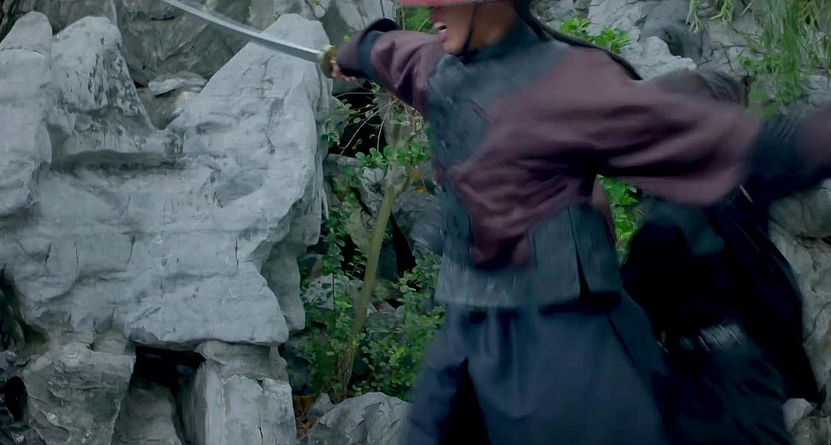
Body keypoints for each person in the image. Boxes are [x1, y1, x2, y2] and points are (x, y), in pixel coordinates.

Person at [330, 0, 831, 443]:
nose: (431, 11)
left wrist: (810, 143)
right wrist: (342, 56)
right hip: (467, 329)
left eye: (444, 1)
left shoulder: (571, 85)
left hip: (558, 342)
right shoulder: (434, 65)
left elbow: (736, 143)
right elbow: (383, 51)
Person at [619, 68, 819, 445]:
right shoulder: (736, 194)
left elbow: (631, 315)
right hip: (750, 380)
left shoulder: (673, 223)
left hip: (713, 393)